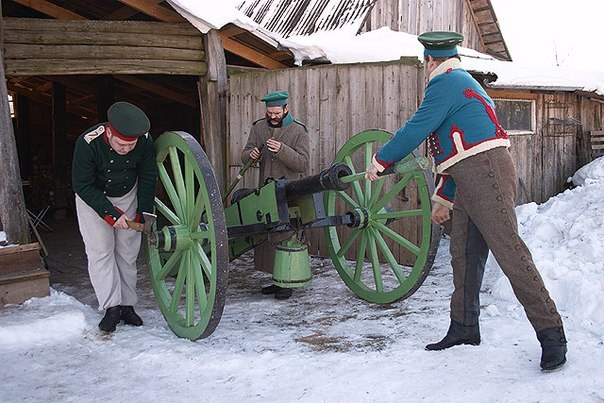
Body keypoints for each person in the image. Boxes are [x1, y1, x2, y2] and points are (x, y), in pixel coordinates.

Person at [365, 31, 567, 371]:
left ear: (429, 60)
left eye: (425, 62)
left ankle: (551, 332)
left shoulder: (445, 83)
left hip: (485, 170)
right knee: (464, 252)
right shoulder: (462, 82)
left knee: (509, 250)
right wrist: (444, 197)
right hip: (468, 172)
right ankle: (464, 326)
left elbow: (417, 128)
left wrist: (381, 161)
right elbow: (449, 148)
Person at [72, 101, 157, 333]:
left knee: (127, 253)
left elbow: (148, 175)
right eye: (121, 144)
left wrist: (143, 212)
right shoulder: (87, 142)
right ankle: (111, 307)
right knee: (101, 251)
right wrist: (110, 214)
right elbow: (81, 185)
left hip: (127, 194)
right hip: (94, 199)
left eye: (131, 145)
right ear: (109, 132)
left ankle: (127, 305)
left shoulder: (145, 141)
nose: (126, 149)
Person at [241, 90, 310, 300]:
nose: (272, 116)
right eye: (269, 112)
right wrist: (250, 156)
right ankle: (274, 279)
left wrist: (282, 150)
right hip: (265, 189)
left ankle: (286, 282)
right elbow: (245, 155)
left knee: (285, 234)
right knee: (267, 234)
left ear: (286, 109)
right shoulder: (259, 127)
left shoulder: (299, 131)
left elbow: (303, 164)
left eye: (276, 112)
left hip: (289, 191)